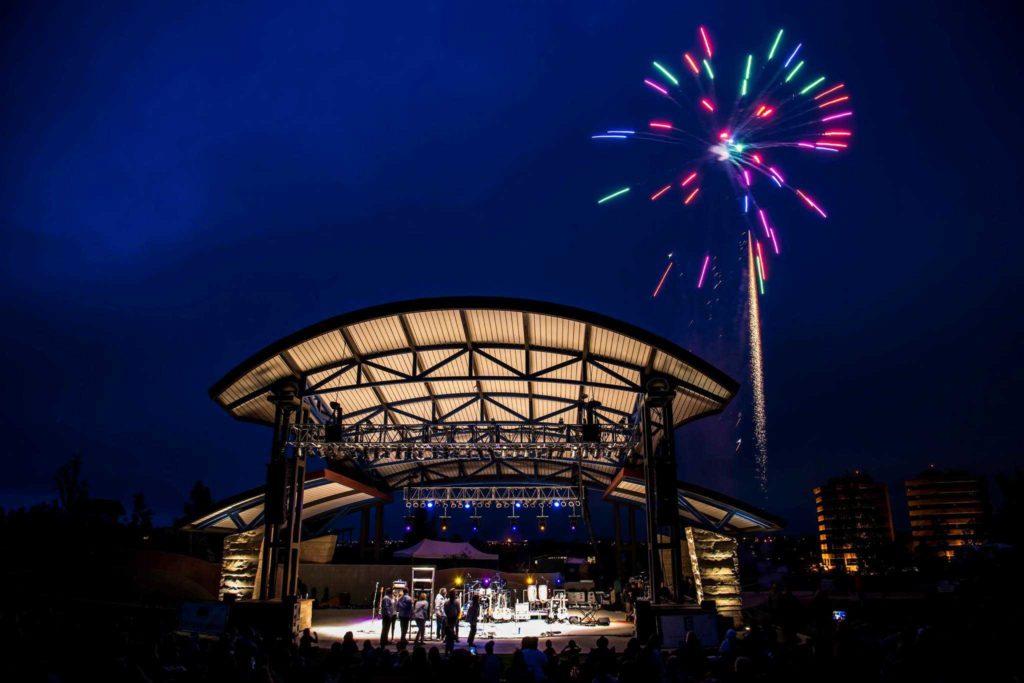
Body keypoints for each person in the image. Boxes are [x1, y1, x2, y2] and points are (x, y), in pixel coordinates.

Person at [443, 590, 460, 656]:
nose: (453, 595)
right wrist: (448, 616)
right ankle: (449, 650)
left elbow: (458, 611)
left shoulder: (456, 602)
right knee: (450, 634)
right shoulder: (447, 602)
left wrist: (457, 618)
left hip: (454, 617)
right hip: (449, 618)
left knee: (451, 634)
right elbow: (445, 610)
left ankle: (449, 650)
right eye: (452, 594)